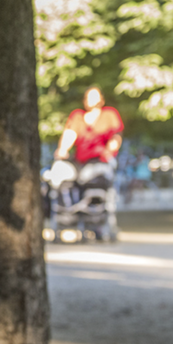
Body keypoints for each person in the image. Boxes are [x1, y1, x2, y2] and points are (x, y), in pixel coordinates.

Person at [55, 86, 124, 236]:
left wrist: (109, 150)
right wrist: (62, 149)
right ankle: (67, 217)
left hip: (99, 160)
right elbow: (70, 134)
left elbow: (116, 137)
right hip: (80, 161)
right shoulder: (78, 116)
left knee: (95, 180)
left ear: (101, 99)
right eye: (88, 97)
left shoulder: (109, 115)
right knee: (63, 178)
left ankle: (95, 220)